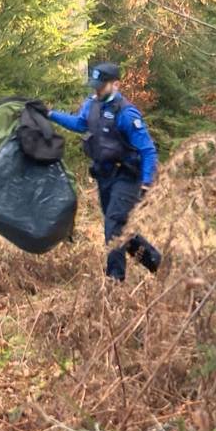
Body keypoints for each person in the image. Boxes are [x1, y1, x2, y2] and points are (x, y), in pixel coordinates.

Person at [45, 62, 162, 281]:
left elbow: (148, 150)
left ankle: (114, 280)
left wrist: (146, 183)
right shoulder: (92, 104)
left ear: (115, 85)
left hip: (127, 177)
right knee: (121, 228)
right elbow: (80, 124)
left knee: (113, 226)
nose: (96, 89)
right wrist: (50, 114)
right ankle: (157, 263)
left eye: (101, 85)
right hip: (104, 176)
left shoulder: (127, 114)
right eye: (95, 85)